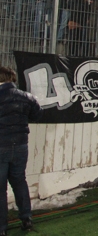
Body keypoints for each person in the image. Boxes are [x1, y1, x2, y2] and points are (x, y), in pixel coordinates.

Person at [0, 66, 43, 235]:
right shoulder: (26, 97)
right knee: (19, 182)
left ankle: (2, 228)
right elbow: (37, 114)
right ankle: (26, 218)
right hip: (20, 146)